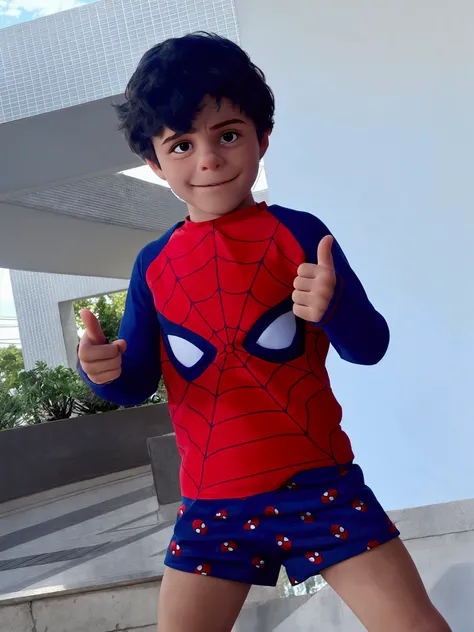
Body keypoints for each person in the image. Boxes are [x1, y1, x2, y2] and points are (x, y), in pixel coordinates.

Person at [78, 32, 450, 632]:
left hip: (320, 484)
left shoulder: (301, 234)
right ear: (153, 162)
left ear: (262, 137)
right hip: (211, 501)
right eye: (181, 144)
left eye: (227, 134)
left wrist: (332, 310)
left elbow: (370, 345)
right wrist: (100, 366)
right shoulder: (153, 265)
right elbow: (135, 380)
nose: (209, 159)